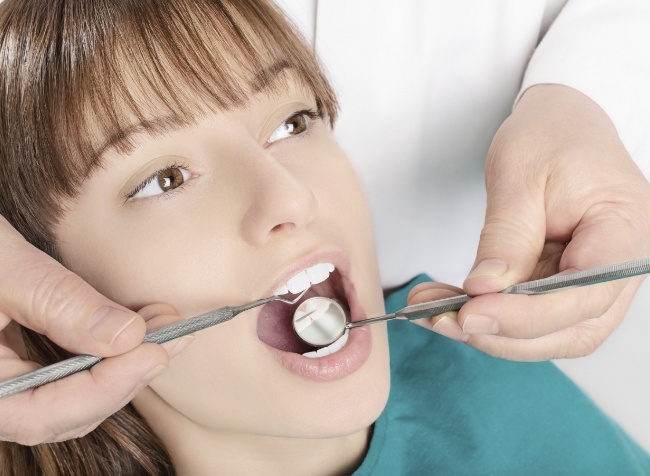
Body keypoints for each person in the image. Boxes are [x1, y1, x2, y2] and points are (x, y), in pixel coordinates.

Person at [1, 1, 649, 474]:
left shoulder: (502, 403)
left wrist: (585, 99)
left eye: (294, 120)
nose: (288, 195)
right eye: (166, 179)